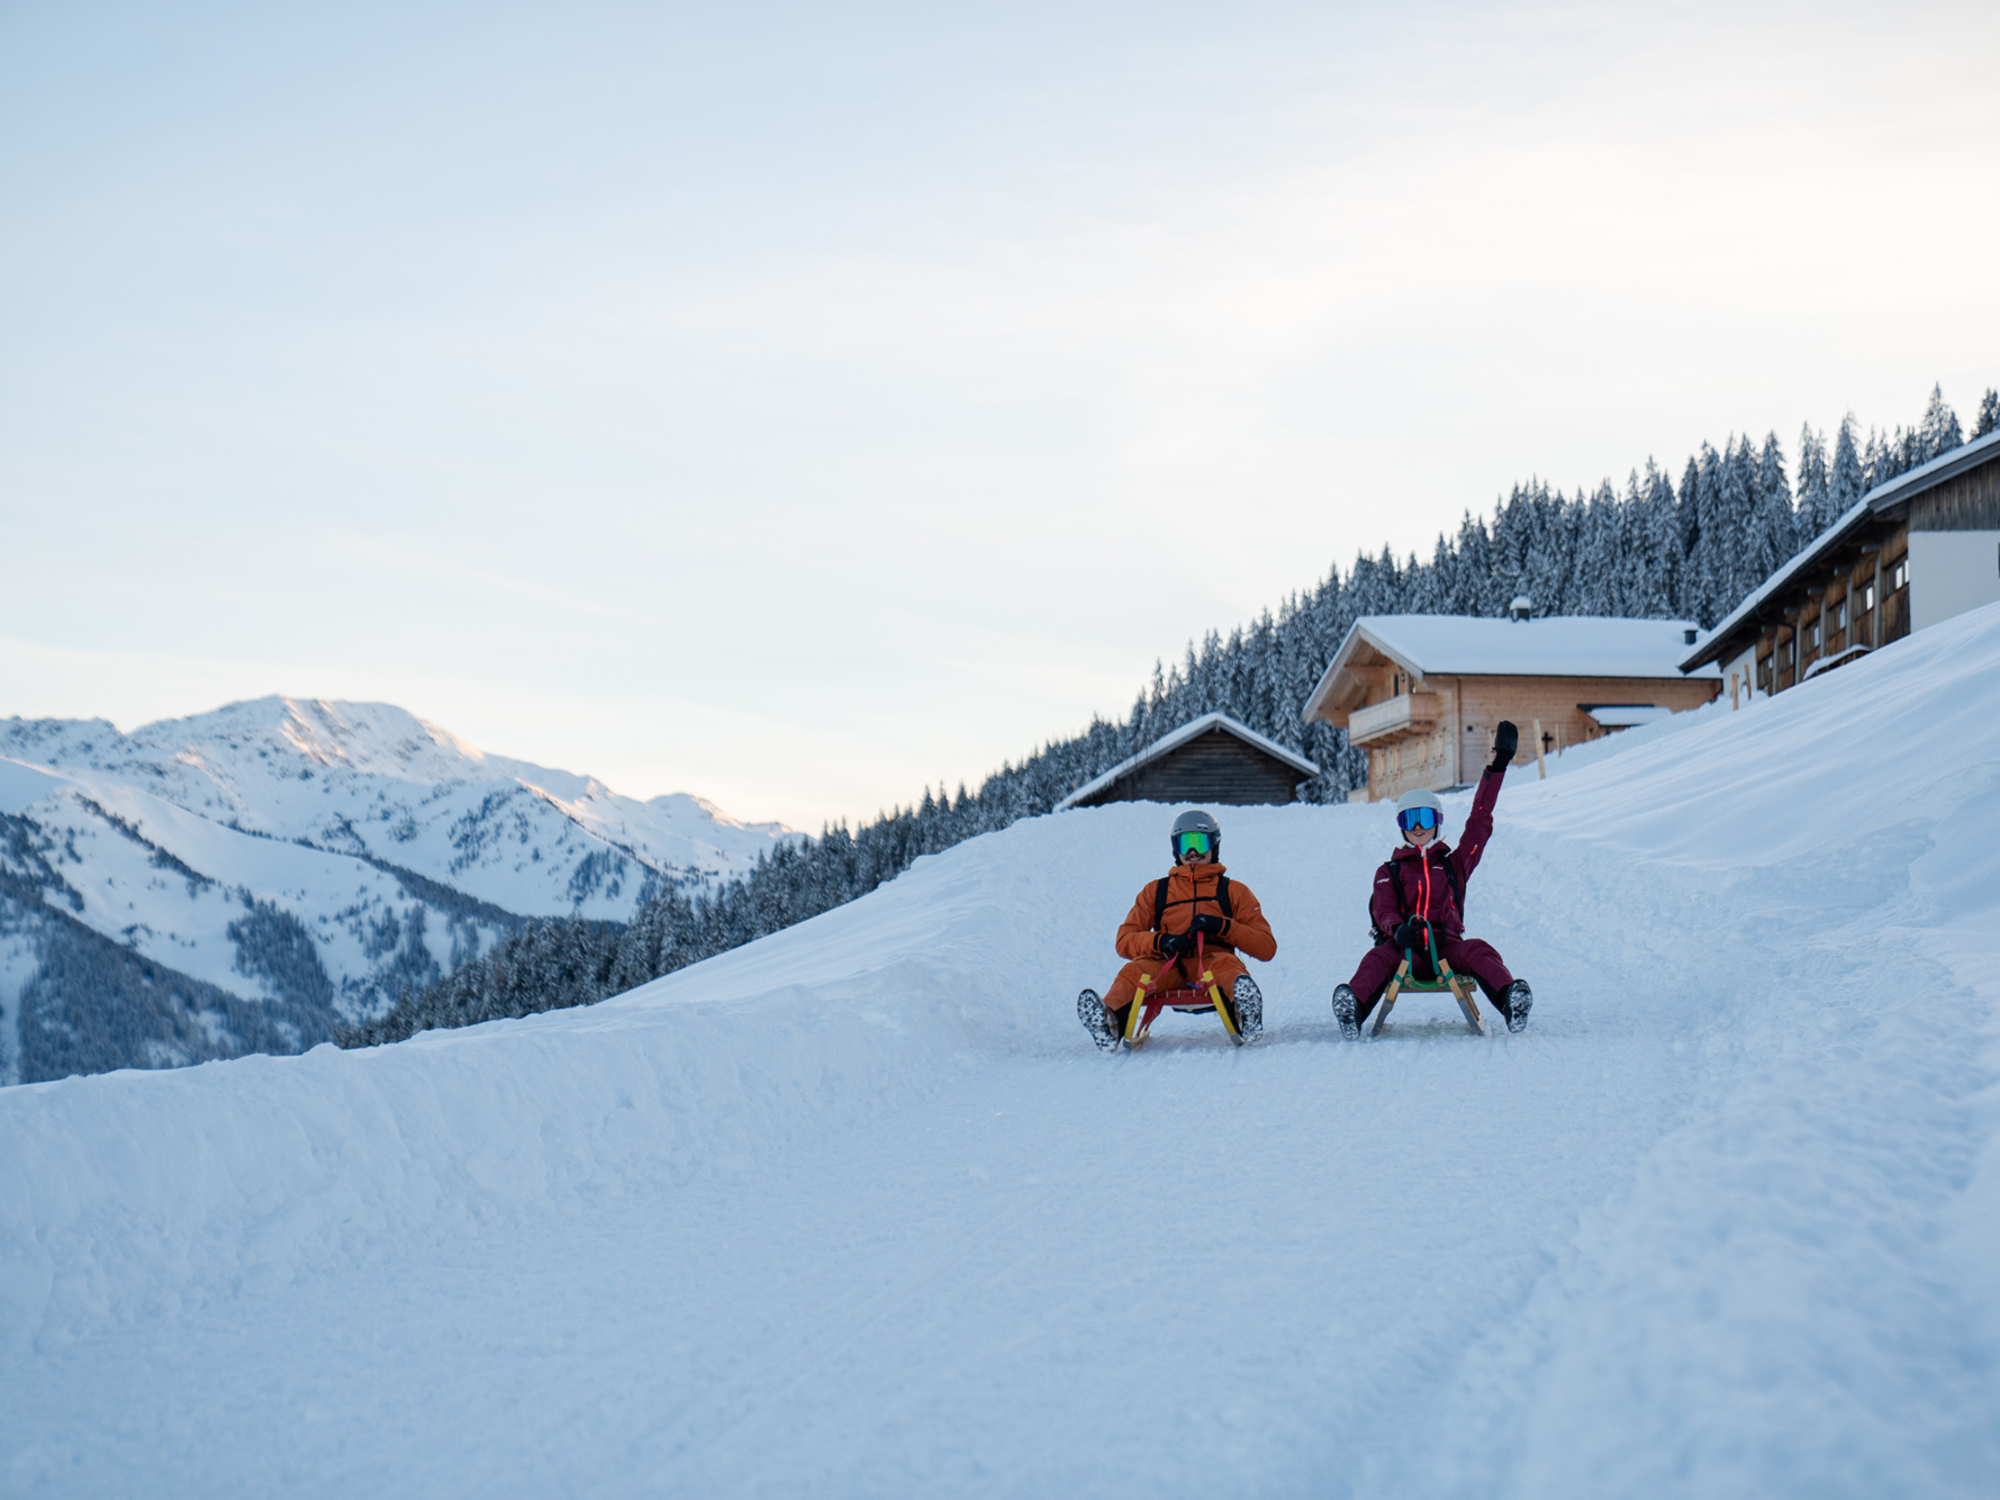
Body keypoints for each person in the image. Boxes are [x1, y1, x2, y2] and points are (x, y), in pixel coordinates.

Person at [1332, 722, 1533, 1037]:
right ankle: (1352, 1009)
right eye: (1409, 820)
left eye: (1424, 818)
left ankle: (1511, 1000)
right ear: (1401, 826)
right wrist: (1397, 930)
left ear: (1437, 822)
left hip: (1447, 947)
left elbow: (1479, 823)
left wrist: (1499, 766)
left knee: (1479, 950)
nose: (1417, 827)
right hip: (1405, 951)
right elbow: (1383, 909)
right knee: (1376, 958)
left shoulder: (1454, 864)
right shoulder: (1389, 871)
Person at [1077, 809, 1277, 1048]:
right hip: (1167, 964)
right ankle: (1108, 1022)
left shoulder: (1233, 891)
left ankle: (1247, 1015)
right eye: (1185, 844)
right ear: (1175, 849)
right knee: (1134, 971)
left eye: (1200, 842)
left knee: (1229, 968)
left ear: (1214, 845)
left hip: (1212, 962)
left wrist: (1222, 926)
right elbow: (1124, 940)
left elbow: (1266, 947)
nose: (1192, 852)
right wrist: (1161, 941)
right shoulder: (1156, 891)